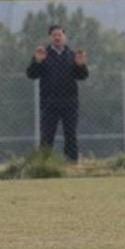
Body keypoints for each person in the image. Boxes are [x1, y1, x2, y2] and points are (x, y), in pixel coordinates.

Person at [26, 25, 89, 162]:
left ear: (64, 37)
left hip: (69, 103)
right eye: (54, 35)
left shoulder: (72, 55)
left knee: (71, 135)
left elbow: (82, 76)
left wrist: (81, 65)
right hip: (49, 103)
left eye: (59, 35)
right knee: (47, 136)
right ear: (50, 38)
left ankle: (72, 163)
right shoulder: (43, 55)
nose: (57, 37)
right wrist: (37, 62)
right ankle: (43, 165)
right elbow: (31, 74)